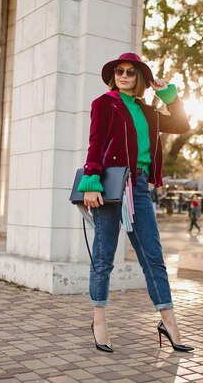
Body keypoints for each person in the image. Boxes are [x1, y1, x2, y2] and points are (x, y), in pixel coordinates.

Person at [78, 52, 193, 353]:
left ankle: (168, 322)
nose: (124, 75)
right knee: (104, 256)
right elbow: (96, 142)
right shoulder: (104, 104)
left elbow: (181, 125)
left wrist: (168, 95)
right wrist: (90, 181)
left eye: (130, 71)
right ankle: (99, 319)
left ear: (139, 77)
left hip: (139, 188)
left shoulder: (148, 111)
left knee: (153, 257)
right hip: (110, 186)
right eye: (119, 71)